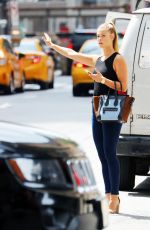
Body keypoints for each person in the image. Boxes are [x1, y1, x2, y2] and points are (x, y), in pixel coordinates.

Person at [43, 22, 128, 214]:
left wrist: (102, 80)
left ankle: (115, 196)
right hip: (97, 107)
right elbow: (72, 54)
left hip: (113, 107)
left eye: (103, 36)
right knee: (101, 154)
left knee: (109, 152)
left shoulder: (118, 59)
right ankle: (107, 194)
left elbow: (123, 87)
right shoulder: (97, 58)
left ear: (112, 36)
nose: (99, 39)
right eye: (98, 36)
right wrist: (53, 47)